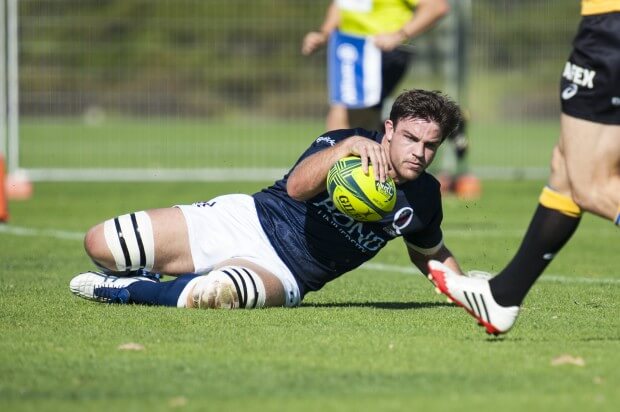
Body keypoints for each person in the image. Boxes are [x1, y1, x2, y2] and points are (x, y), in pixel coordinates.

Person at [70, 89, 467, 309]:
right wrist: (345, 146)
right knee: (101, 243)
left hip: (286, 273)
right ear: (390, 129)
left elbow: (428, 251)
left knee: (212, 297)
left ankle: (125, 290)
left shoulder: (425, 196)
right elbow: (296, 187)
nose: (419, 152)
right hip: (245, 218)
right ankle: (152, 274)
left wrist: (468, 292)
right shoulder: (343, 144)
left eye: (431, 146)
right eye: (411, 138)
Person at [427, 0, 620, 335]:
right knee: (565, 171)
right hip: (605, 26)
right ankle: (503, 297)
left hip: (610, 26)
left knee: (592, 186)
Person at [301, 0, 450, 132]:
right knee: (352, 119)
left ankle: (352, 160)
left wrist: (399, 35)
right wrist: (324, 34)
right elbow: (342, 5)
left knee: (346, 120)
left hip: (380, 52)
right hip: (350, 51)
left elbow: (436, 7)